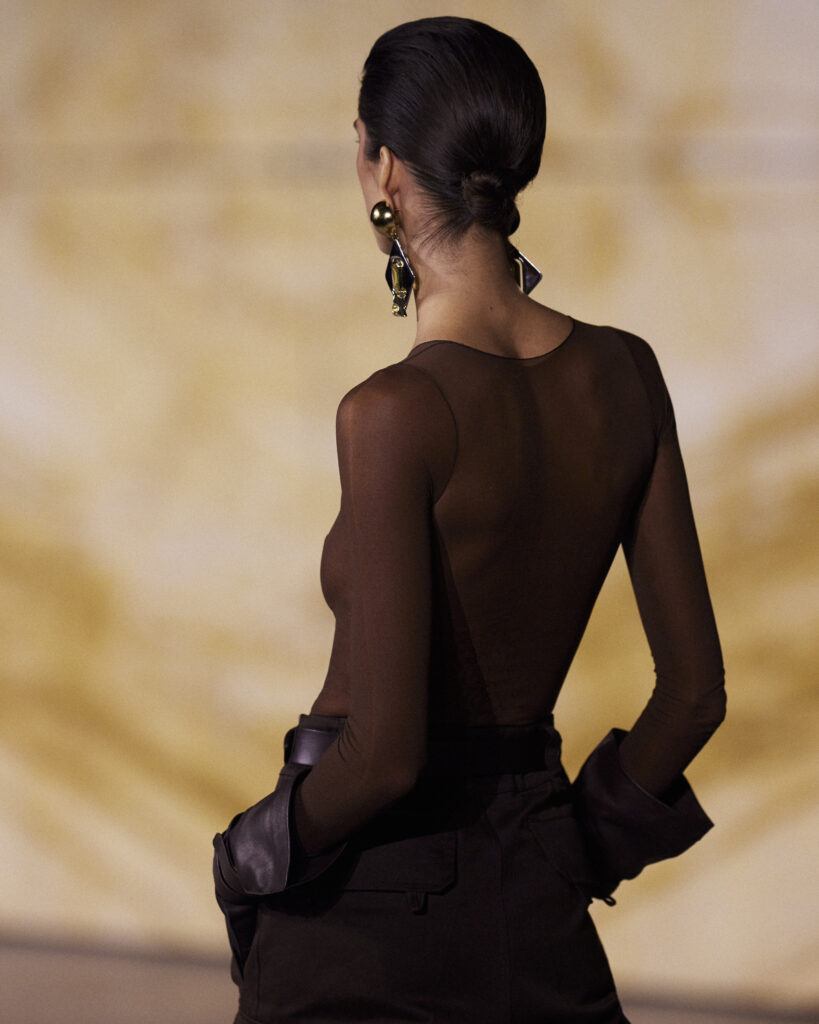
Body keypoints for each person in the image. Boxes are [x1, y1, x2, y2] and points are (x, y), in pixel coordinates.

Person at [213, 16, 726, 1023]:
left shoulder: (391, 412)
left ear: (384, 167)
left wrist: (251, 852)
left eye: (361, 145)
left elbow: (383, 753)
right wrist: (569, 848)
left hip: (360, 910)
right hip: (532, 893)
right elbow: (694, 696)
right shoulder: (627, 375)